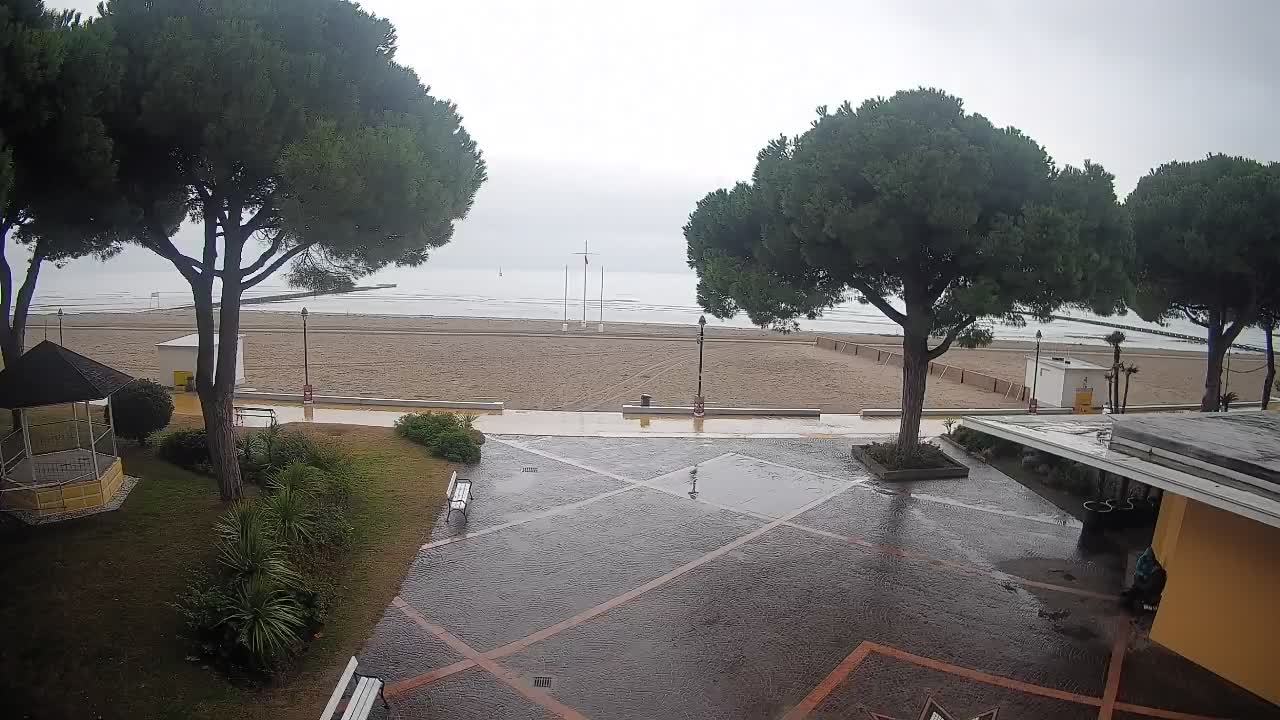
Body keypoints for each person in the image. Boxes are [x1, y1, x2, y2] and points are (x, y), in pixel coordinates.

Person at [1121, 546, 1166, 612]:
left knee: (1139, 603)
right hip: (1147, 589)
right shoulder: (1150, 564)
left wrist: (1138, 582)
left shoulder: (1157, 575)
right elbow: (1140, 569)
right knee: (1135, 589)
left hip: (1151, 595)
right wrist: (1139, 577)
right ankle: (1129, 597)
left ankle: (1142, 611)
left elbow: (1147, 587)